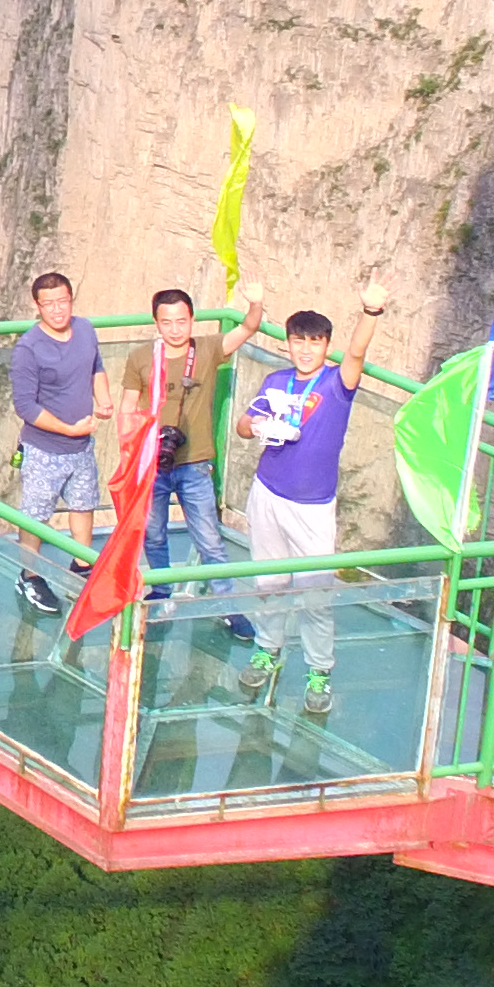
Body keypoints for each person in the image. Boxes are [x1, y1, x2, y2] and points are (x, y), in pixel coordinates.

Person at [237, 284, 390, 717]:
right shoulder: (275, 380)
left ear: (326, 345)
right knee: (268, 583)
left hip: (313, 505)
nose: (306, 350)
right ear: (288, 344)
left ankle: (319, 670)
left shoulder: (336, 382)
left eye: (315, 342)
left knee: (315, 592)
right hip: (267, 491)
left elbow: (357, 355)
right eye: (298, 341)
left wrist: (371, 310)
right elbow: (244, 426)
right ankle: (268, 649)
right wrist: (259, 428)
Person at [113, 286, 256, 583]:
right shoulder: (141, 357)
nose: (175, 329)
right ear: (156, 323)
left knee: (210, 541)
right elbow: (127, 406)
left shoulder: (207, 349)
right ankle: (161, 590)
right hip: (152, 462)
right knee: (153, 535)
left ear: (192, 320)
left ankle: (226, 603)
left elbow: (248, 328)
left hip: (196, 462)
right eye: (167, 322)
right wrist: (130, 454)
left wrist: (255, 302)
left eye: (181, 321)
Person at [8, 271, 105, 616]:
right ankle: (30, 575)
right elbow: (26, 406)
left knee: (84, 504)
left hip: (82, 447)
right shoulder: (28, 349)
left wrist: (103, 400)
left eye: (62, 301)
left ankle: (84, 566)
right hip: (43, 450)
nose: (57, 310)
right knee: (35, 516)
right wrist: (69, 429)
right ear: (37, 307)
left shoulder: (86, 330)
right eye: (49, 304)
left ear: (71, 300)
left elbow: (96, 364)